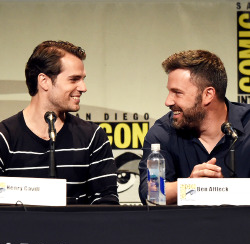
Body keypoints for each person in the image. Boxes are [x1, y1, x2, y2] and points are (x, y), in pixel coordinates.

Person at [0, 40, 119, 205]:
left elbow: (107, 203)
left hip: (78, 230)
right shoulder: (4, 137)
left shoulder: (92, 136)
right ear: (44, 81)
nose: (83, 87)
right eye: (74, 79)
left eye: (83, 79)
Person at [139, 49, 250, 205]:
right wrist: (190, 186)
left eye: (177, 93)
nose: (168, 101)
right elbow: (150, 192)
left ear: (208, 94)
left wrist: (225, 191)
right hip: (186, 228)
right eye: (169, 92)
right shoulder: (162, 133)